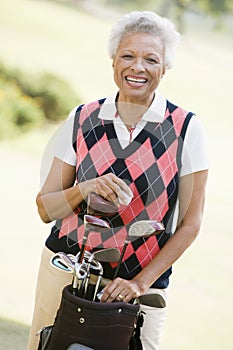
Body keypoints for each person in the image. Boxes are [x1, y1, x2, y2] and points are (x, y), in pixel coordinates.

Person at [27, 10, 208, 350]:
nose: (138, 67)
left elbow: (191, 224)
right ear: (113, 61)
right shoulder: (83, 118)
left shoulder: (186, 128)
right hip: (66, 271)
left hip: (140, 283)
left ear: (164, 68)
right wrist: (86, 187)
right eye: (128, 55)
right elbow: (44, 208)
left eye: (151, 59)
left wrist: (140, 283)